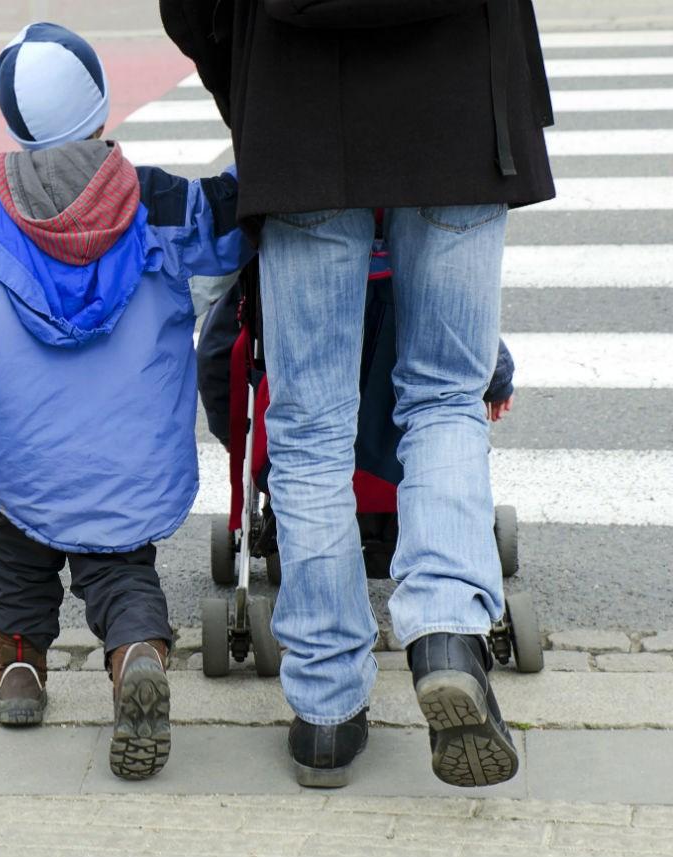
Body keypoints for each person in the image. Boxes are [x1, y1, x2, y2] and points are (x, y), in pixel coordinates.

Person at [162, 0, 554, 788]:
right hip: (459, 103)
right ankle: (446, 635)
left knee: (308, 427)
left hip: (300, 109)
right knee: (445, 396)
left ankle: (327, 714)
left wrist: (245, 91)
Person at [0, 22, 251, 781]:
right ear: (100, 104)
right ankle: (135, 653)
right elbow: (231, 230)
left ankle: (20, 668)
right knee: (122, 565)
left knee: (20, 553)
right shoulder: (158, 204)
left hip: (25, 457)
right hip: (132, 460)